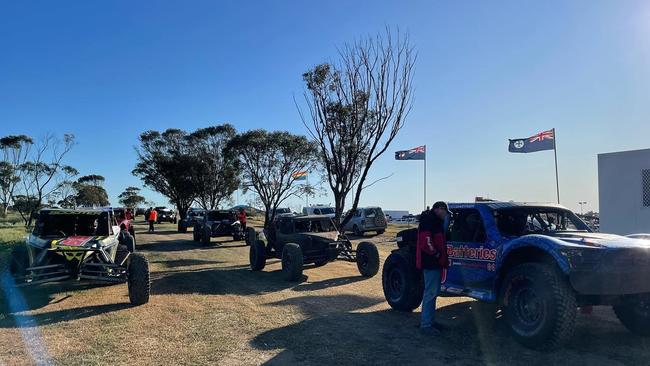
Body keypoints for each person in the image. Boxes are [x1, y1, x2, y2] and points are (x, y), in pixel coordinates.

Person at [417, 201, 451, 335]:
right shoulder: (429, 220)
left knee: (433, 292)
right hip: (430, 263)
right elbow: (426, 242)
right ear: (439, 209)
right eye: (445, 212)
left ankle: (430, 321)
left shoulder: (435, 221)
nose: (446, 215)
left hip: (435, 263)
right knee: (430, 293)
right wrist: (436, 254)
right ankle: (426, 325)